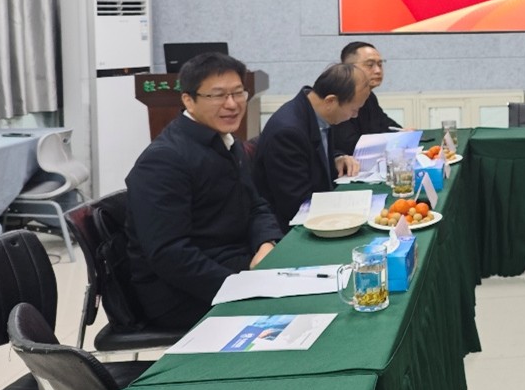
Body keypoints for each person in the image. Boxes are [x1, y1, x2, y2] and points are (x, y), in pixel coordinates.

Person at [125, 53, 284, 328]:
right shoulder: (164, 160)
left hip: (233, 263)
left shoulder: (227, 142)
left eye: (238, 93)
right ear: (188, 100)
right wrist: (238, 286)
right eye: (218, 95)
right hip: (181, 294)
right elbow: (170, 254)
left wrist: (266, 244)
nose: (232, 104)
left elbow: (255, 205)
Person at [253, 63, 371, 228]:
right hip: (293, 227)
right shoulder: (288, 133)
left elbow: (314, 154)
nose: (355, 116)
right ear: (331, 101)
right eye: (354, 109)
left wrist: (337, 157)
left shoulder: (318, 112)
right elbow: (296, 203)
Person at [330, 41, 401, 156]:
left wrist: (402, 133)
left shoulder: (369, 96)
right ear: (348, 68)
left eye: (380, 64)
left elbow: (384, 123)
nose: (378, 71)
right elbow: (349, 144)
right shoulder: (338, 98)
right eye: (370, 65)